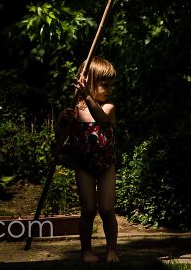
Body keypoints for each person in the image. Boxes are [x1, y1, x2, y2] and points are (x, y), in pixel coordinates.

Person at [57, 56, 119, 263]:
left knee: (107, 209)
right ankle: (86, 251)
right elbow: (61, 138)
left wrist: (87, 96)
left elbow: (100, 118)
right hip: (83, 165)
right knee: (88, 210)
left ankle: (112, 250)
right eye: (105, 85)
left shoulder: (108, 107)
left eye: (111, 85)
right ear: (89, 82)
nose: (109, 90)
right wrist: (62, 121)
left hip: (106, 165)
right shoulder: (76, 110)